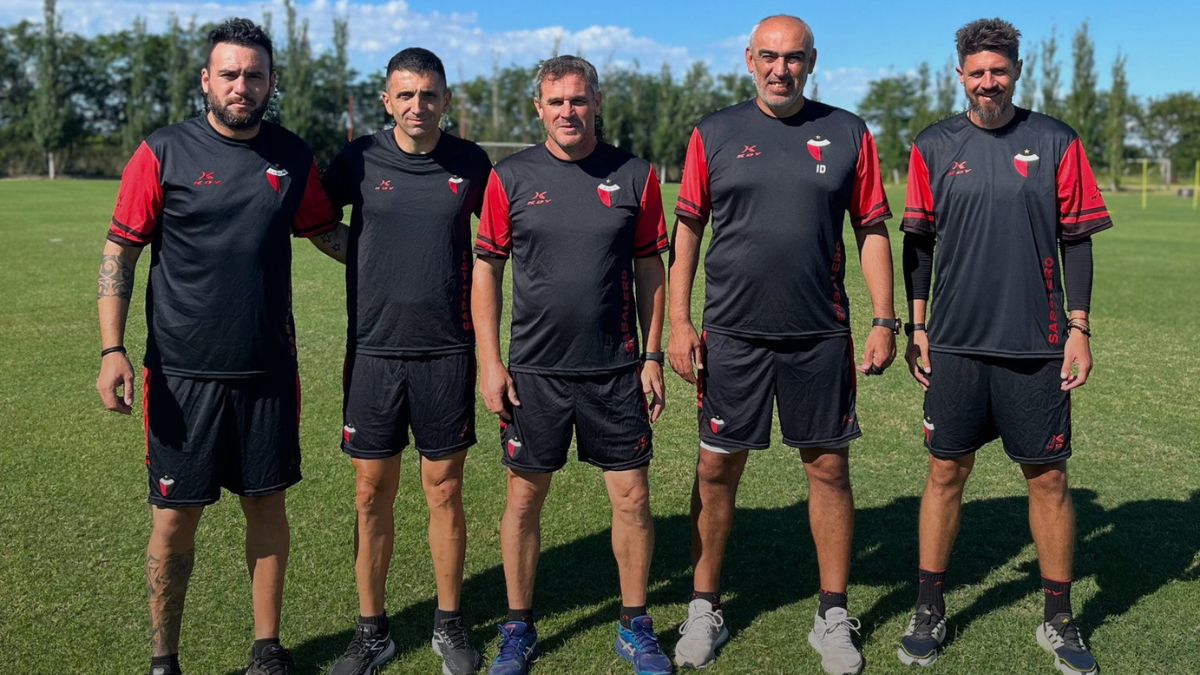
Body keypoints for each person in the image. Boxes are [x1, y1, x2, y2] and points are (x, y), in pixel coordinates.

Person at [95, 18, 337, 675]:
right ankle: (162, 659)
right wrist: (111, 348)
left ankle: (267, 649)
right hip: (181, 373)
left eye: (253, 75)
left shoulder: (293, 156)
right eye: (228, 74)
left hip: (267, 371)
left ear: (271, 83)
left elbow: (327, 233)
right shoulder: (163, 152)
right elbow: (121, 249)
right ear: (206, 79)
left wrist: (402, 241)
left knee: (267, 504)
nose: (240, 85)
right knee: (174, 519)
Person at [667, 14, 895, 675]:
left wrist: (885, 319)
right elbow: (686, 233)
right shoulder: (714, 133)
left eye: (793, 58)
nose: (780, 68)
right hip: (731, 336)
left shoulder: (849, 132)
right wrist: (679, 323)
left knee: (827, 470)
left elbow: (872, 228)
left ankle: (832, 613)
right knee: (715, 470)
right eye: (768, 56)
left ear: (812, 61)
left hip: (818, 335)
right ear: (747, 59)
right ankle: (704, 604)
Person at [895, 18, 1111, 675]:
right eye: (976, 71)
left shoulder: (1053, 139)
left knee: (1047, 478)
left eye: (999, 70)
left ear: (1017, 71)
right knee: (943, 473)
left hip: (1037, 344)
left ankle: (1059, 617)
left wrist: (1079, 327)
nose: (988, 81)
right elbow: (918, 243)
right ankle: (929, 605)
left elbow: (1077, 238)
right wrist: (916, 326)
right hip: (955, 345)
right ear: (957, 74)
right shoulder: (932, 146)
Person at [472, 55, 671, 675]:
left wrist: (652, 354)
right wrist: (490, 362)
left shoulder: (635, 175)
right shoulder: (509, 176)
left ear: (597, 102)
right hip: (535, 372)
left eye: (578, 100)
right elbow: (487, 269)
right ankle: (517, 626)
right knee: (524, 499)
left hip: (615, 371)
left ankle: (635, 623)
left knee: (632, 498)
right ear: (539, 108)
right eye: (556, 102)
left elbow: (650, 271)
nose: (568, 112)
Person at [316, 47, 493, 675]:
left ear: (446, 99)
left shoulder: (470, 163)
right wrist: (360, 256)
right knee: (371, 493)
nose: (418, 106)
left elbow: (497, 244)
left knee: (443, 490)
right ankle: (373, 633)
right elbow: (313, 220)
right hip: (373, 352)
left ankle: (448, 623)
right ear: (387, 100)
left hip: (447, 351)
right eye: (406, 95)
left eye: (430, 95)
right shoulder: (359, 159)